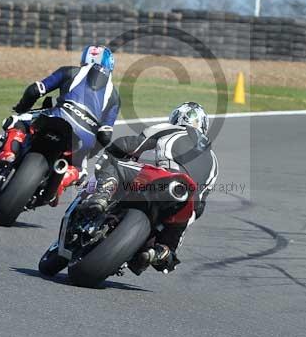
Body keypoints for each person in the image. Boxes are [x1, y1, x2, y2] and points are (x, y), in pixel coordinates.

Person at [87, 102, 218, 274]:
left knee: (115, 164)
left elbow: (132, 144)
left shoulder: (171, 128)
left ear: (177, 117)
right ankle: (158, 253)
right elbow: (200, 207)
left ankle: (102, 195)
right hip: (187, 202)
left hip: (165, 178)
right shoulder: (214, 161)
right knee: (170, 247)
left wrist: (110, 153)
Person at [0, 45, 120, 200]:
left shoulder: (69, 71)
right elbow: (105, 136)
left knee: (16, 121)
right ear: (110, 64)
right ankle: (62, 181)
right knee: (80, 169)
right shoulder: (114, 96)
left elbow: (34, 90)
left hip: (57, 117)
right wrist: (88, 153)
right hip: (84, 138)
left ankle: (8, 153)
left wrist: (22, 108)